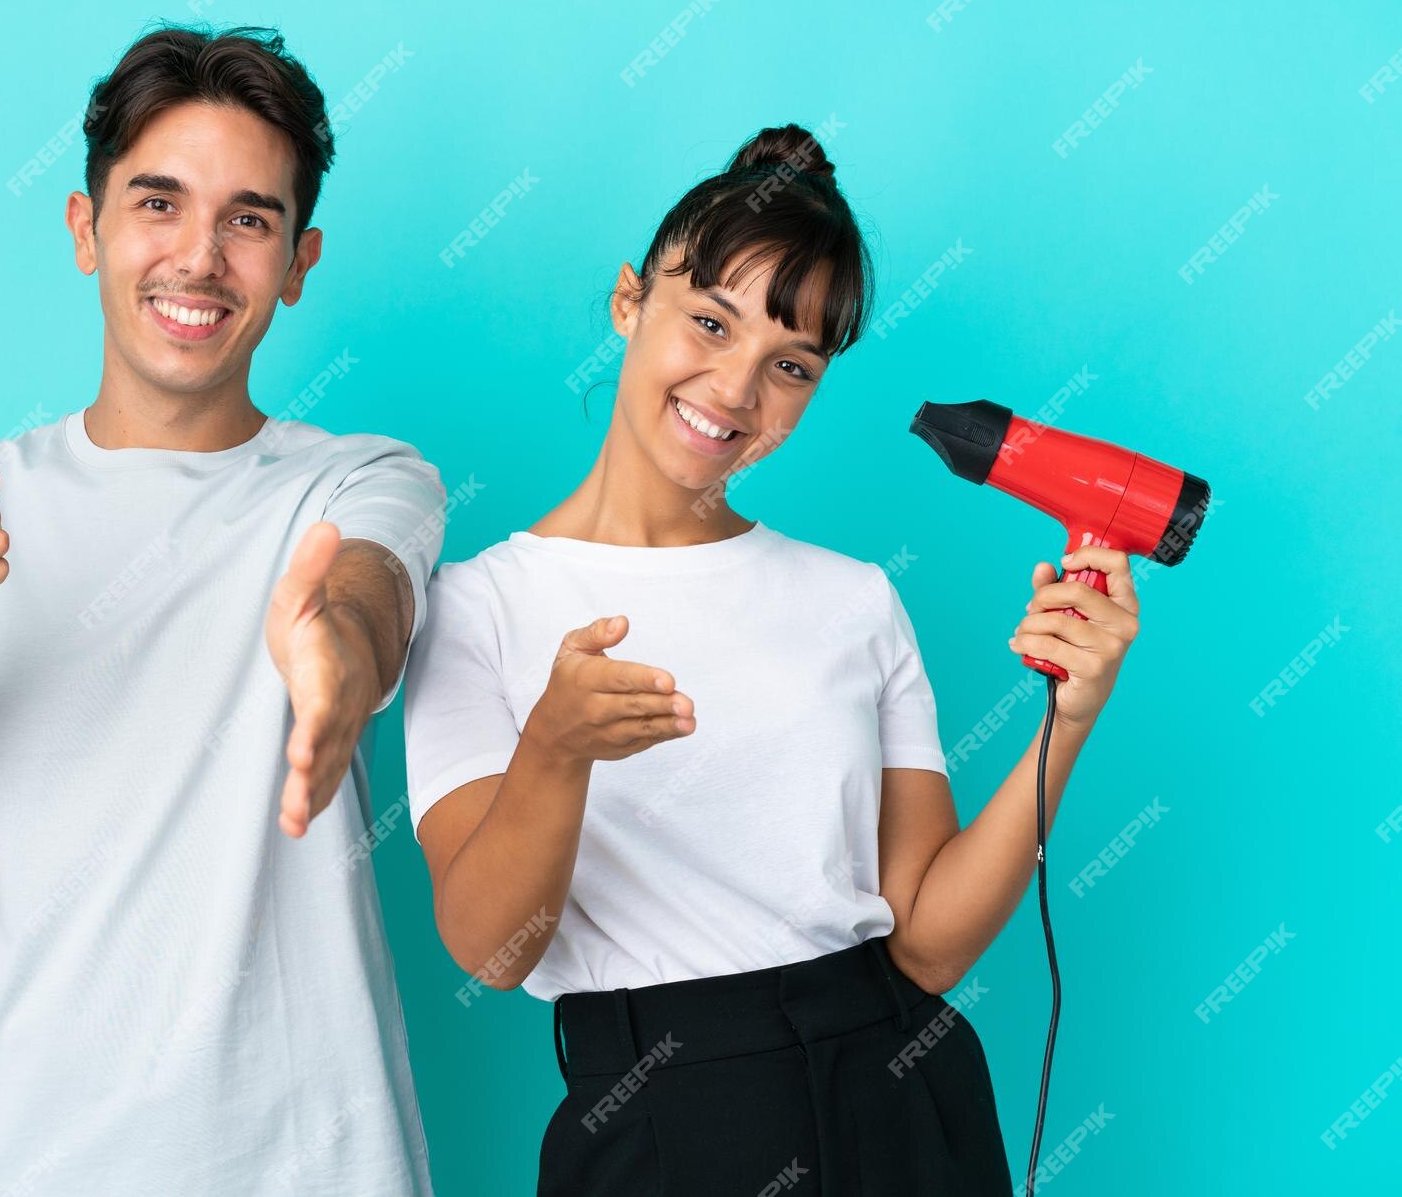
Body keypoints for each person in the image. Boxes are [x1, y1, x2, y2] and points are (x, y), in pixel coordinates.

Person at [401, 123, 1143, 1195]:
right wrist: (555, 749)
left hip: (900, 1092)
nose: (734, 388)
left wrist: (1064, 724)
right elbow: (492, 950)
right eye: (707, 321)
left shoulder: (853, 598)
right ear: (626, 301)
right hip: (656, 1112)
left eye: (787, 364)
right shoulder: (477, 606)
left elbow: (926, 946)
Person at [0, 25, 443, 1196]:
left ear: (297, 261)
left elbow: (364, 603)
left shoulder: (358, 482)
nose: (198, 258)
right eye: (158, 203)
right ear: (85, 231)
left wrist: (331, 659)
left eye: (247, 219)